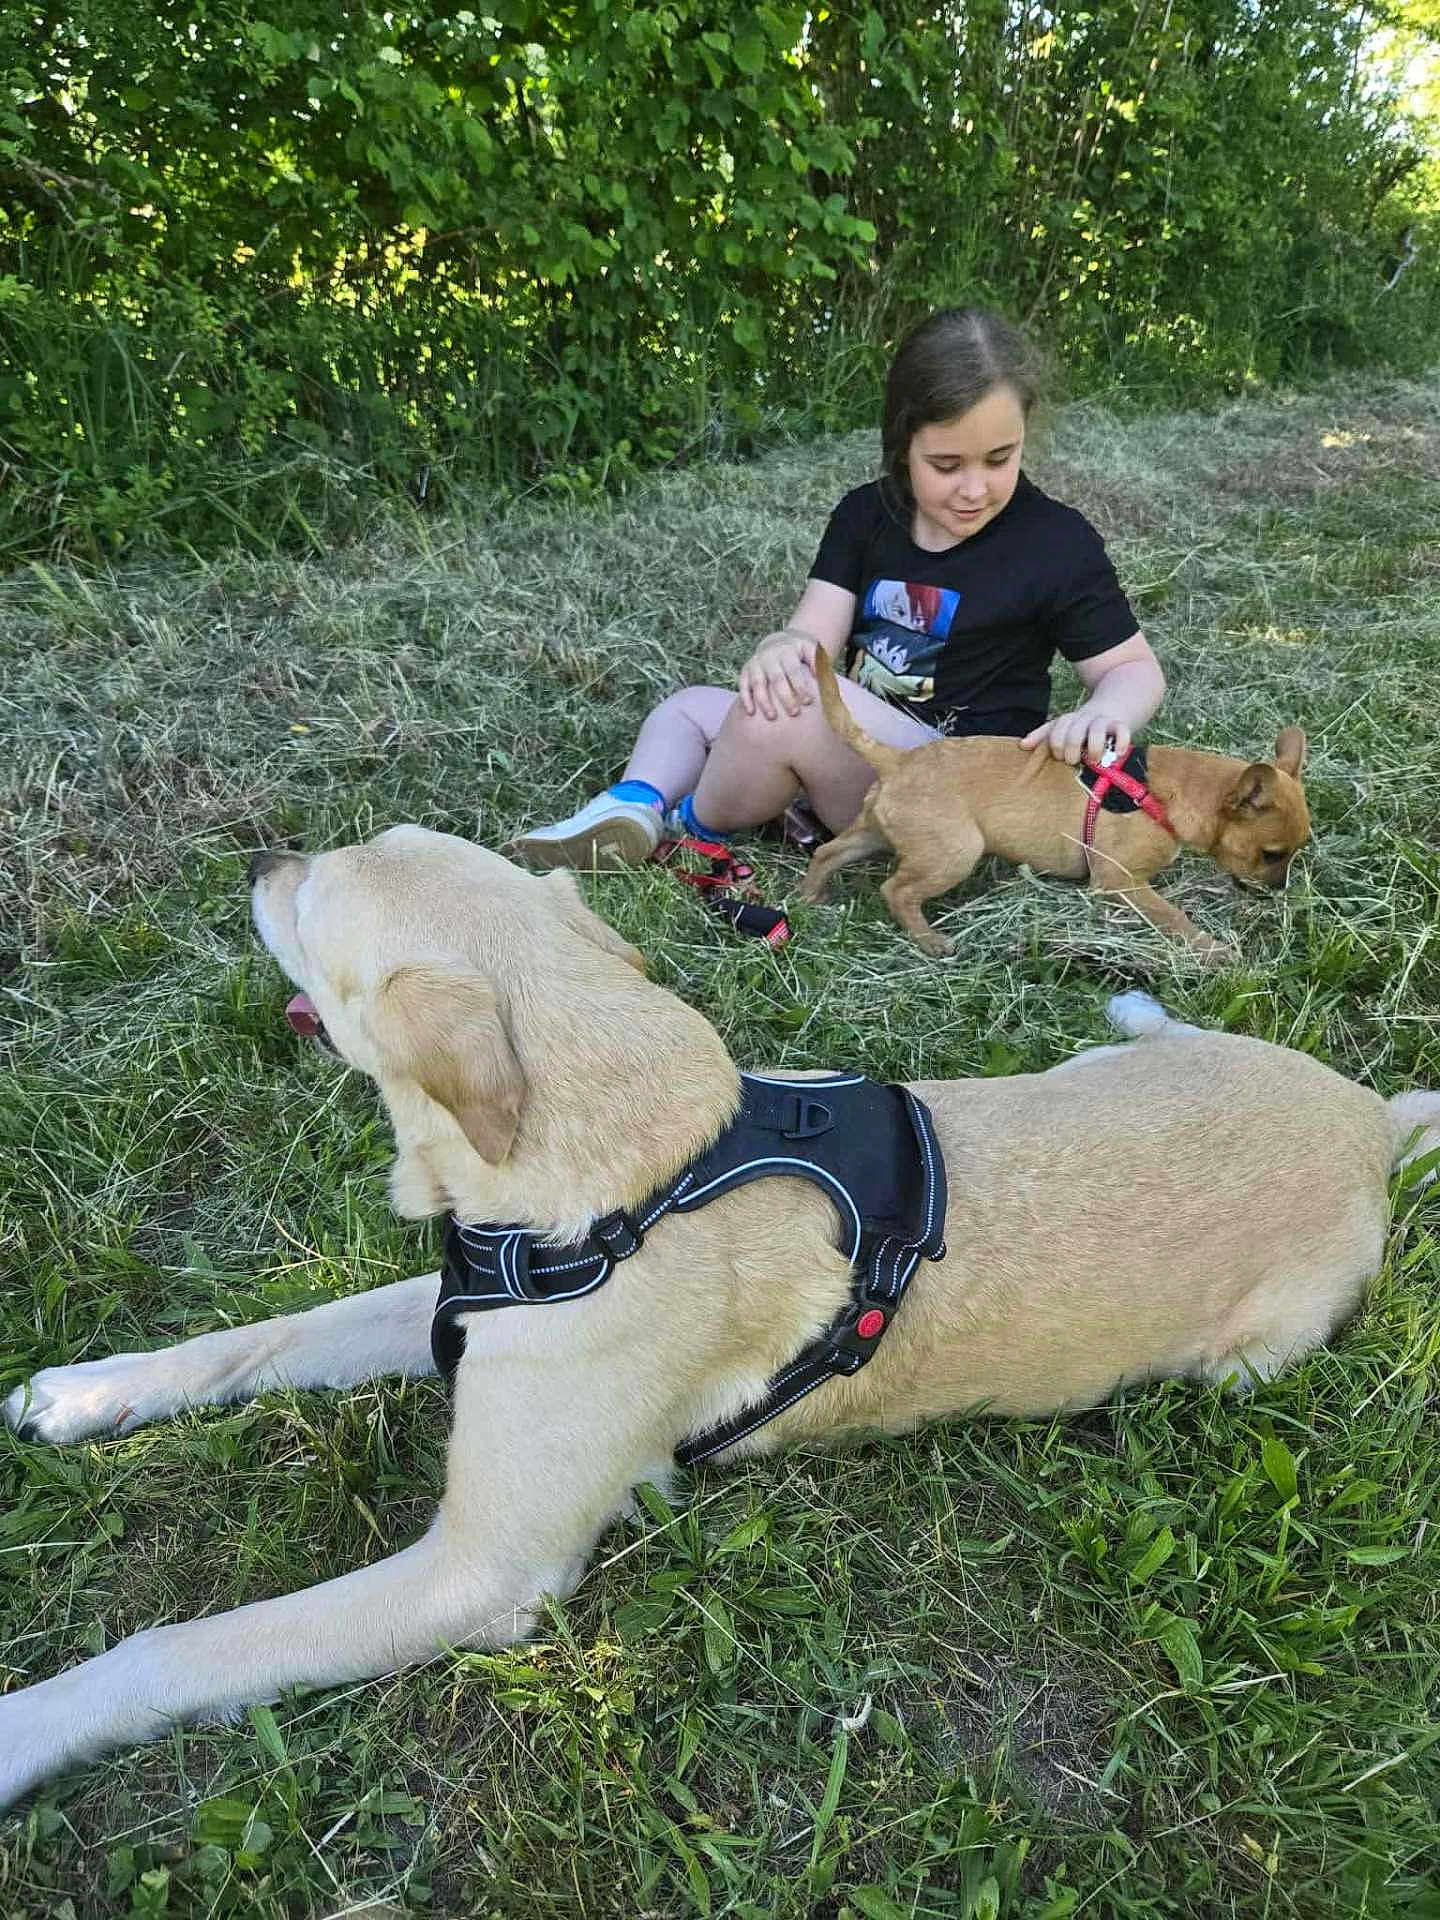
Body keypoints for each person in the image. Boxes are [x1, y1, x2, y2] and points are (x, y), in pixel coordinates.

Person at [510, 306, 1165, 870]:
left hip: (952, 782)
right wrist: (780, 644)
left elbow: (1135, 670)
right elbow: (811, 636)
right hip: (857, 743)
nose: (975, 488)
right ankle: (632, 805)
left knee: (783, 713)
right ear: (900, 446)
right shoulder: (866, 515)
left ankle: (690, 825)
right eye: (946, 464)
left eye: (1000, 459)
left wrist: (1105, 713)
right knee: (692, 707)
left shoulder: (1054, 543)